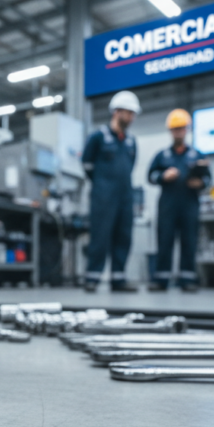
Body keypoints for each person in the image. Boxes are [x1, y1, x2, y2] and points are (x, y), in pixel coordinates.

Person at [81, 90, 140, 292]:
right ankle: (92, 278)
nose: (131, 118)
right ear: (117, 112)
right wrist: (101, 185)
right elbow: (87, 164)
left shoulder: (131, 141)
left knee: (124, 236)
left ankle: (118, 278)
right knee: (100, 236)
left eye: (133, 114)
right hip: (103, 197)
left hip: (125, 196)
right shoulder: (98, 137)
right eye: (128, 113)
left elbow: (130, 166)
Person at [147, 108, 211, 292]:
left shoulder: (197, 155)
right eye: (175, 129)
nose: (179, 132)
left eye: (182, 128)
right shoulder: (162, 156)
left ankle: (187, 279)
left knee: (189, 241)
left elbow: (208, 179)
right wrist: (163, 176)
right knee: (164, 241)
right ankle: (161, 280)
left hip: (189, 204)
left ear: (187, 130)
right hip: (168, 204)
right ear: (170, 131)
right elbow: (150, 176)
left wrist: (199, 182)